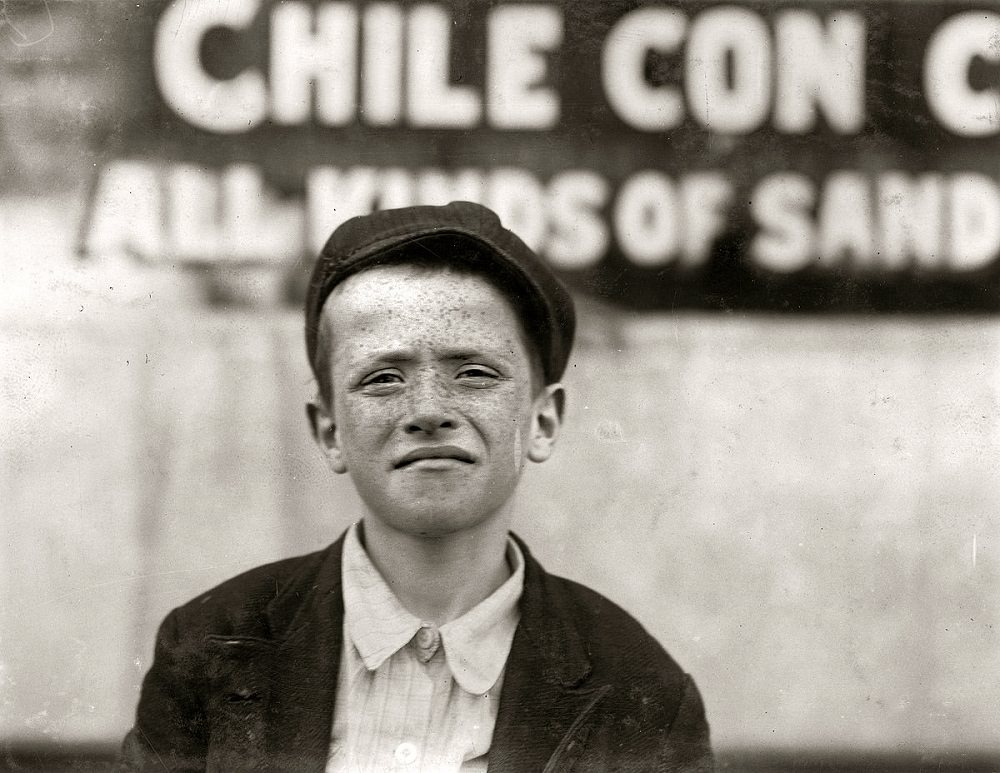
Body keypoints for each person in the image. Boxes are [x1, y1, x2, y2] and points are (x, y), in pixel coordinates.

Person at [120, 201, 713, 772]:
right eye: (382, 377)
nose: (428, 410)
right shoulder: (208, 647)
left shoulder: (640, 692)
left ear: (543, 420)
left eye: (474, 373)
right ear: (328, 429)